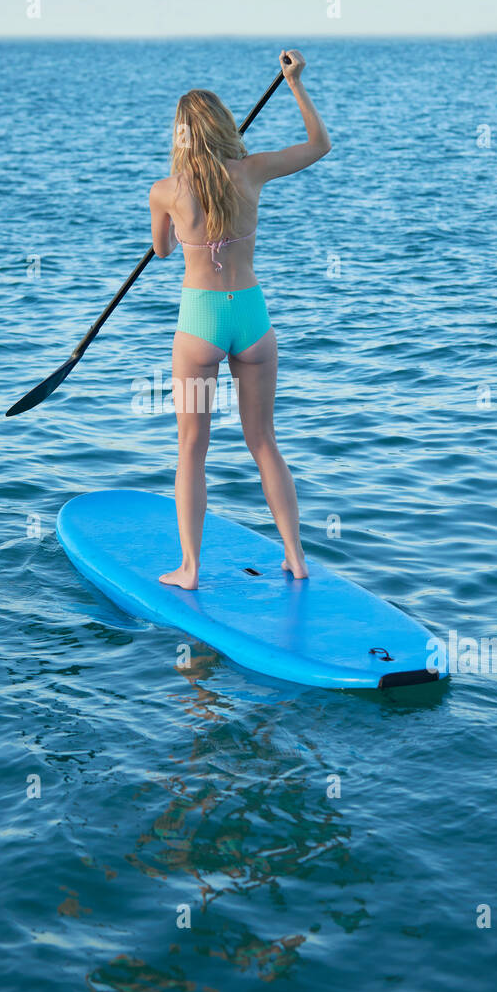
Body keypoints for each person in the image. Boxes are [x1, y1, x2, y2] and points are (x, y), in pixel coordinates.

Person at [149, 49, 331, 590]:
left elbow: (159, 252)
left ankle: (190, 568)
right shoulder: (253, 170)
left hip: (200, 325)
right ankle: (295, 557)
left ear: (181, 136)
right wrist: (293, 83)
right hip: (252, 319)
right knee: (263, 441)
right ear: (226, 128)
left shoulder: (166, 191)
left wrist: (171, 223)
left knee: (191, 447)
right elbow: (319, 146)